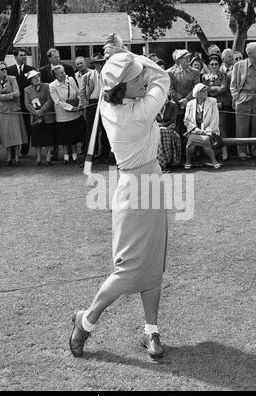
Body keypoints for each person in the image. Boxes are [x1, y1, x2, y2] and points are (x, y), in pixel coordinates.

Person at [69, 52, 170, 359]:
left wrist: (123, 57)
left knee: (153, 264)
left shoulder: (109, 103)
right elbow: (162, 76)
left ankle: (151, 331)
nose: (143, 78)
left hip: (150, 182)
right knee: (127, 268)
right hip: (135, 188)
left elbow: (126, 80)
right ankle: (85, 321)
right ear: (122, 87)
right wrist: (131, 54)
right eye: (136, 77)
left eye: (141, 74)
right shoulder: (140, 111)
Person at [230, 42, 256, 160]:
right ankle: (242, 153)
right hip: (243, 98)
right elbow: (233, 85)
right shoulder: (239, 65)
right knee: (242, 128)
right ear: (250, 54)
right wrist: (237, 98)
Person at [0, 62, 27, 166]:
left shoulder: (12, 79)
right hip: (4, 111)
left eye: (5, 68)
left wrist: (5, 95)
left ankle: (16, 157)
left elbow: (18, 93)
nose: (5, 71)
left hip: (14, 109)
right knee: (6, 135)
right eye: (2, 69)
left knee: (16, 134)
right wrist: (10, 95)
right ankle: (8, 158)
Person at [167, 49, 200, 157]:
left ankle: (191, 155)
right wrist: (180, 99)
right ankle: (179, 155)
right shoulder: (170, 73)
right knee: (178, 130)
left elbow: (196, 88)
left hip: (191, 106)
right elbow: (170, 89)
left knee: (191, 130)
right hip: (176, 107)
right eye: (185, 58)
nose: (188, 60)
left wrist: (187, 100)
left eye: (188, 57)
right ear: (179, 60)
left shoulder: (195, 72)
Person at [184, 83, 221, 170]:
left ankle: (214, 161)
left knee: (205, 139)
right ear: (198, 93)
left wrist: (207, 130)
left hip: (209, 130)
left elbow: (215, 119)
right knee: (191, 141)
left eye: (206, 90)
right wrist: (195, 129)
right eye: (203, 91)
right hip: (194, 130)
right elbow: (186, 120)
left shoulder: (212, 101)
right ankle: (188, 161)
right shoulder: (190, 104)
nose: (206, 92)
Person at [80, 53, 110, 163]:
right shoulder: (87, 76)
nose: (100, 65)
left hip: (105, 103)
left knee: (106, 131)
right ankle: (89, 157)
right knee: (91, 132)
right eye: (97, 63)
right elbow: (82, 93)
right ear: (94, 65)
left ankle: (105, 155)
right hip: (92, 104)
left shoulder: (109, 76)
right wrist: (86, 105)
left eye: (102, 63)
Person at [49, 66, 82, 165]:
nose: (63, 74)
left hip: (75, 113)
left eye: (63, 72)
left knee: (74, 136)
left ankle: (75, 156)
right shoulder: (52, 86)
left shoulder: (71, 79)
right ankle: (66, 156)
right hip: (62, 115)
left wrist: (79, 105)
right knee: (64, 137)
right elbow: (57, 102)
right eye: (60, 73)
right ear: (56, 75)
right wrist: (71, 108)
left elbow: (78, 93)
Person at [202, 54, 232, 161]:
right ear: (208, 66)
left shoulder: (223, 75)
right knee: (211, 128)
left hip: (221, 104)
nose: (214, 66)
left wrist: (212, 89)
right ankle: (213, 152)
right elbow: (204, 90)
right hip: (209, 104)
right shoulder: (204, 76)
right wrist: (214, 89)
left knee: (221, 127)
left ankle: (225, 151)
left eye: (216, 64)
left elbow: (223, 88)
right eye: (212, 64)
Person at [7, 49, 35, 157]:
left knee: (27, 126)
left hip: (26, 102)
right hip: (14, 103)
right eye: (21, 55)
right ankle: (13, 152)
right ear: (15, 57)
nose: (24, 57)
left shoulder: (30, 69)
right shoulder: (10, 70)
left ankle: (24, 151)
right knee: (14, 127)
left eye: (25, 55)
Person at [24, 70, 55, 166]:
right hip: (35, 118)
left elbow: (50, 100)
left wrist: (41, 111)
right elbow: (27, 103)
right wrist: (35, 112)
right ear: (30, 80)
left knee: (48, 138)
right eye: (34, 78)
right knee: (37, 139)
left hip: (47, 116)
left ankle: (48, 157)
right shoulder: (27, 90)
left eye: (38, 77)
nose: (37, 79)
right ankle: (38, 158)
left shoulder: (46, 86)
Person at [157, 97, 181, 172]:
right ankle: (162, 164)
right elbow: (151, 121)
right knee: (161, 132)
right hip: (154, 130)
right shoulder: (152, 106)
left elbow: (172, 121)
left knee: (163, 132)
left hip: (170, 130)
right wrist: (162, 126)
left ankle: (166, 163)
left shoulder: (172, 105)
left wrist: (160, 125)